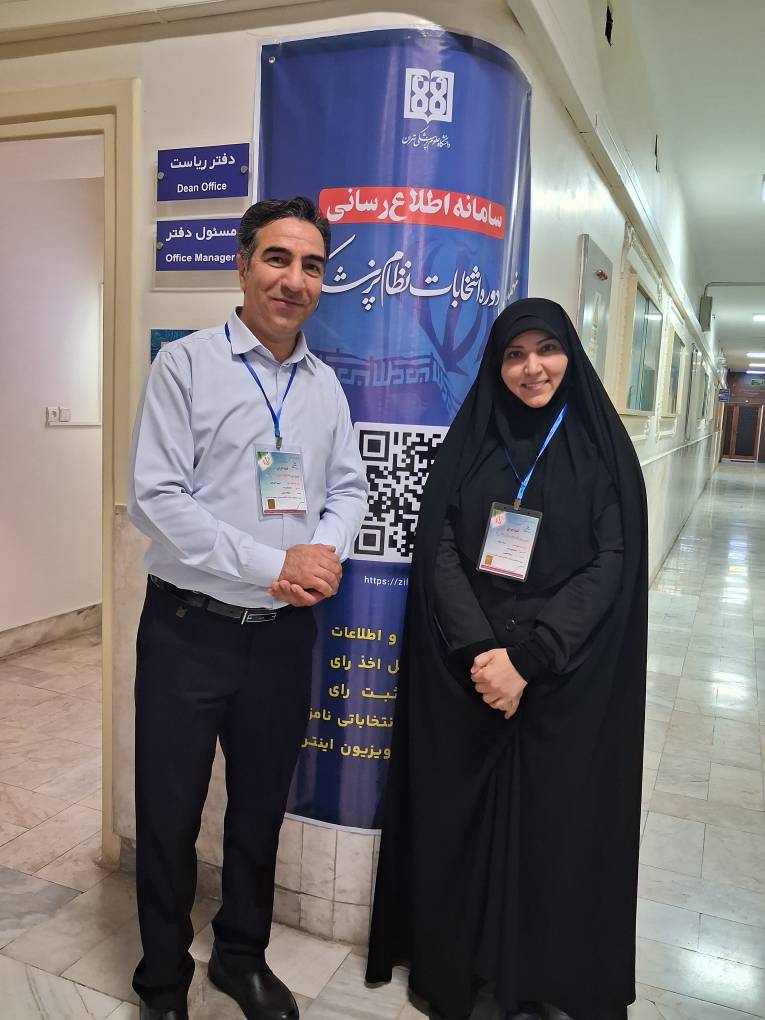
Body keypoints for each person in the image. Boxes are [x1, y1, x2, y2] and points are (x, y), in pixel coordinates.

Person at [366, 298, 648, 1020]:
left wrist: (531, 659)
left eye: (546, 349)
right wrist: (483, 652)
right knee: (461, 827)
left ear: (569, 356)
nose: (531, 368)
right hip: (471, 675)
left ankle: (540, 979)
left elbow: (612, 561)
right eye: (514, 354)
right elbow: (439, 548)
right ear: (496, 365)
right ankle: (461, 969)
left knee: (554, 832)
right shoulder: (473, 442)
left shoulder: (600, 451)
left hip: (563, 678)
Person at [127, 196, 368, 1020]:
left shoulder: (324, 385)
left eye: (312, 266)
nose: (294, 280)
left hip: (282, 637)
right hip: (187, 632)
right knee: (168, 813)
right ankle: (162, 979)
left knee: (260, 810)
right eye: (277, 258)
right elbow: (156, 498)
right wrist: (275, 563)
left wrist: (320, 554)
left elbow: (348, 487)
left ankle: (240, 957)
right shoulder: (186, 365)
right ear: (241, 264)